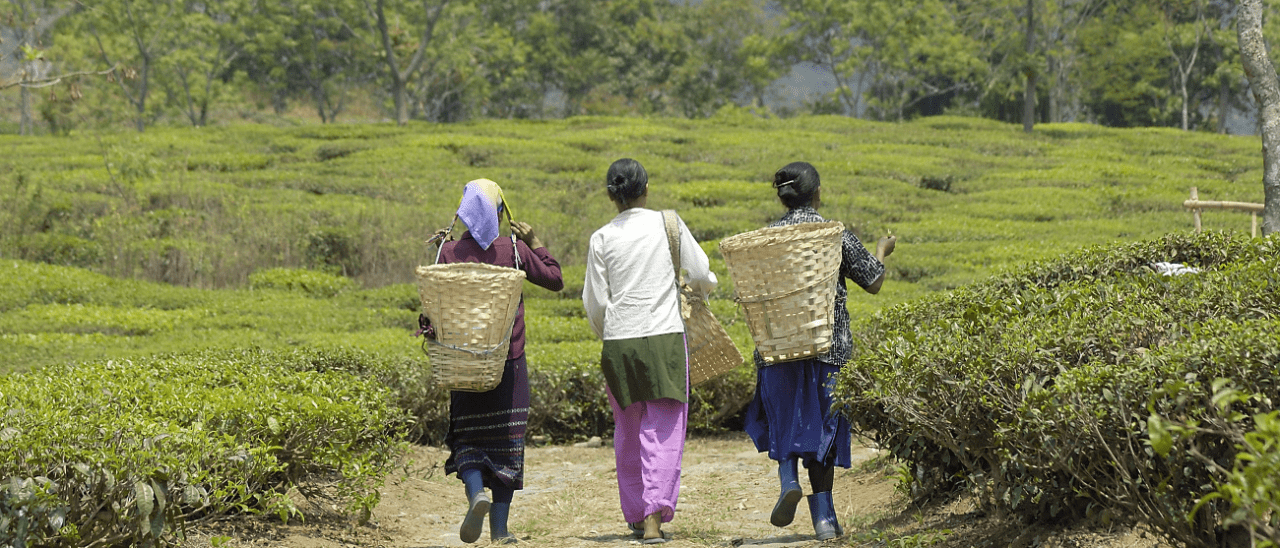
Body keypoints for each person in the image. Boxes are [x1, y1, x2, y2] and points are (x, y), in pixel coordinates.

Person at [743, 161, 895, 540]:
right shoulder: (833, 235)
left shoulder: (763, 240)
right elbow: (873, 281)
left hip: (778, 352)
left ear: (783, 199)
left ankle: (787, 478)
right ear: (818, 193)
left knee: (785, 419)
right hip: (827, 349)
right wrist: (882, 250)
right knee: (825, 427)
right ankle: (825, 519)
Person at [582, 158, 717, 544]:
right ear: (646, 189)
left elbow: (595, 302)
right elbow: (700, 271)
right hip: (664, 339)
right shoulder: (668, 222)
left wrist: (607, 334)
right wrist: (704, 291)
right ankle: (654, 518)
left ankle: (637, 514)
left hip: (619, 342)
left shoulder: (601, 237)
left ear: (611, 195)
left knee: (627, 430)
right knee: (663, 430)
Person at [433, 178, 564, 544]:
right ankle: (501, 532)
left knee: (468, 438)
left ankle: (476, 494)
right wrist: (535, 241)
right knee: (507, 441)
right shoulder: (515, 250)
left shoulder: (447, 253)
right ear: (500, 213)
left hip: (462, 361)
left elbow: (432, 306)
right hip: (508, 361)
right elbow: (555, 280)